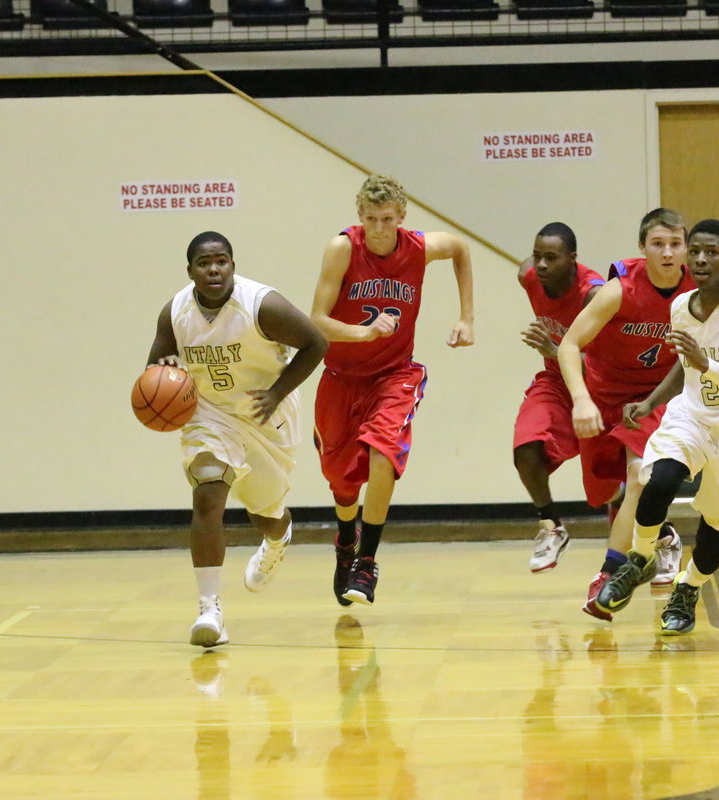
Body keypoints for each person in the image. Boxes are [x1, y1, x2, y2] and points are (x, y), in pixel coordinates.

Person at [146, 231, 328, 648]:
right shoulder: (175, 312)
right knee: (209, 494)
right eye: (205, 263)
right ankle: (209, 609)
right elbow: (156, 365)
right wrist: (165, 371)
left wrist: (278, 392)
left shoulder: (262, 305)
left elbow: (317, 343)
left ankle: (278, 535)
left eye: (222, 261)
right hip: (209, 413)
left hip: (266, 412)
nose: (214, 269)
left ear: (233, 265)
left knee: (264, 513)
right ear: (190, 270)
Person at [603, 219, 719, 635]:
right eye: (694, 251)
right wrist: (650, 403)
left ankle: (688, 587)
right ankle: (641, 560)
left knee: (715, 532)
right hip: (690, 416)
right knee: (658, 480)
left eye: (711, 251)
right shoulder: (680, 307)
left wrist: (706, 363)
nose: (699, 259)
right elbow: (685, 368)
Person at [311, 175, 474, 607]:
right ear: (359, 217)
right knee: (340, 483)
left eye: (387, 219)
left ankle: (366, 562)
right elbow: (317, 320)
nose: (379, 227)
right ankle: (347, 539)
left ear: (402, 218)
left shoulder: (419, 247)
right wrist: (361, 333)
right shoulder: (343, 248)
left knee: (383, 451)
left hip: (395, 375)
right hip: (342, 378)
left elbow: (459, 247)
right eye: (370, 219)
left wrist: (467, 317)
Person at [558, 208, 695, 620]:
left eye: (675, 244)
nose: (668, 253)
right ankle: (661, 536)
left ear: (686, 248)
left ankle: (610, 573)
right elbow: (569, 345)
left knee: (640, 475)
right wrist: (581, 399)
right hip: (605, 394)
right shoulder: (619, 291)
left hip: (658, 398)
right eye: (658, 244)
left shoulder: (698, 292)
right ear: (642, 248)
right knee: (607, 490)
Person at [513, 222, 605, 572]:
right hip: (556, 382)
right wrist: (554, 356)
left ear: (573, 260)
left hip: (598, 387)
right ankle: (551, 526)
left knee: (608, 487)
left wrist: (554, 349)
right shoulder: (529, 276)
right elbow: (526, 267)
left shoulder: (593, 295)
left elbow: (605, 362)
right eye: (538, 256)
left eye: (552, 257)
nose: (542, 265)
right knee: (526, 448)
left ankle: (661, 537)